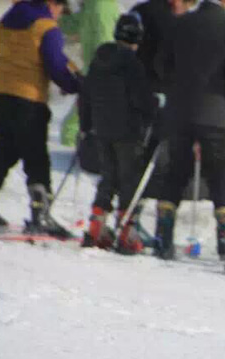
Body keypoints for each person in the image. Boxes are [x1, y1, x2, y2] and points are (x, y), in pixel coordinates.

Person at [0, 0, 81, 234]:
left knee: (5, 151)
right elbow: (57, 66)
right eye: (60, 9)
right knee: (36, 157)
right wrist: (75, 84)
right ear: (50, 3)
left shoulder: (4, 22)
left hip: (0, 96)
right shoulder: (46, 28)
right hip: (28, 99)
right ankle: (40, 213)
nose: (60, 15)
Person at [153, 0, 225, 260]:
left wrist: (176, 85)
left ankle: (164, 232)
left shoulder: (179, 25)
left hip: (179, 111)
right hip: (214, 115)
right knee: (219, 175)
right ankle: (224, 236)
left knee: (175, 172)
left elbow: (161, 64)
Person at [79, 13, 156, 254]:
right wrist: (155, 107)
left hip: (101, 128)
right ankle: (126, 232)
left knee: (108, 177)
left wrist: (85, 125)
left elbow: (86, 93)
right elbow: (141, 98)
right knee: (129, 180)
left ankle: (96, 227)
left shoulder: (99, 58)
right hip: (127, 130)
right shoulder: (132, 63)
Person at [58, 0, 121, 147]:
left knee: (72, 127)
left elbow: (104, 43)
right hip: (98, 73)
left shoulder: (99, 6)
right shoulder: (93, 5)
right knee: (73, 126)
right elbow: (72, 25)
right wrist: (58, 14)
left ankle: (68, 158)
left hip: (99, 74)